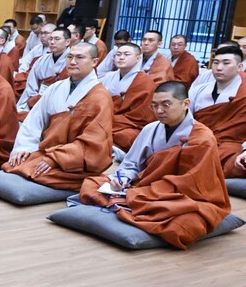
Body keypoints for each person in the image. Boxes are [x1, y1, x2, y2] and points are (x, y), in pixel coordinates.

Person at [79, 81, 230, 249]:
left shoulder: (202, 138)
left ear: (186, 104)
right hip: (144, 189)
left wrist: (143, 193)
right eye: (154, 105)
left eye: (166, 105)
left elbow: (193, 183)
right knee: (91, 183)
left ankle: (124, 204)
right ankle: (129, 203)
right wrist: (123, 179)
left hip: (179, 196)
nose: (159, 111)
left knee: (185, 226)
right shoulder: (150, 129)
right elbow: (131, 163)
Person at [3, 42, 114, 190]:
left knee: (31, 169)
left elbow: (93, 142)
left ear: (94, 62)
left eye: (80, 57)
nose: (73, 62)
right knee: (17, 163)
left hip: (73, 160)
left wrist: (56, 158)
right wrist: (25, 147)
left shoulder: (100, 97)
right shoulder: (56, 87)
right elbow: (35, 120)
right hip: (47, 151)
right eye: (70, 57)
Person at [189, 45, 246, 178]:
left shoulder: (243, 92)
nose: (219, 68)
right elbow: (185, 120)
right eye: (216, 62)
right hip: (197, 140)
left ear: (239, 67)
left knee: (234, 162)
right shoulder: (198, 90)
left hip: (231, 146)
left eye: (226, 63)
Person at [100, 42, 156, 156]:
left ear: (138, 58)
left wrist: (113, 120)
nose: (121, 57)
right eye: (118, 54)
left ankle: (113, 152)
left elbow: (141, 116)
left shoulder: (145, 82)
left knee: (126, 137)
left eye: (126, 54)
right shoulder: (108, 77)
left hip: (130, 124)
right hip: (106, 118)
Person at [16, 27, 71, 113]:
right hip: (36, 98)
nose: (52, 42)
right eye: (51, 39)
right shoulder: (42, 60)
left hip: (58, 103)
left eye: (57, 39)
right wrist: (35, 98)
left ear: (67, 42)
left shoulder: (73, 62)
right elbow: (31, 83)